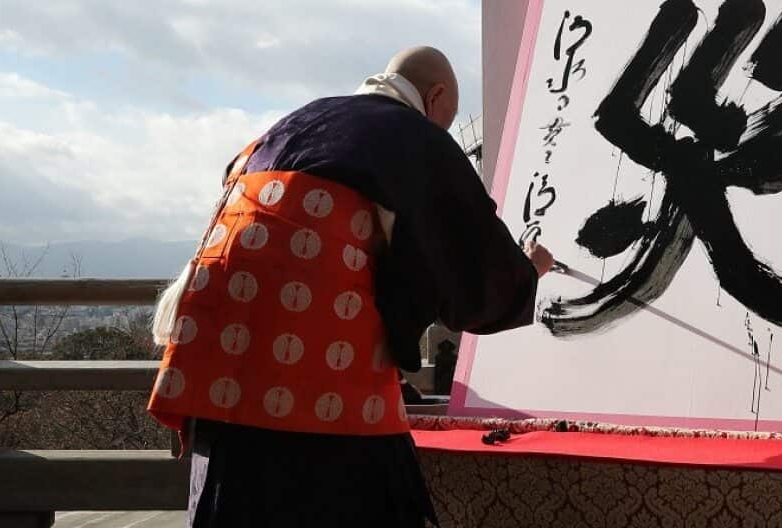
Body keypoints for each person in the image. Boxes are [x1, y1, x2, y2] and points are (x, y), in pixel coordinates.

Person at [147, 46, 553, 527]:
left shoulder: (293, 124)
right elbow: (475, 279)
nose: (444, 129)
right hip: (321, 396)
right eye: (448, 116)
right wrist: (528, 270)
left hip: (218, 380)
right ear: (436, 95)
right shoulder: (416, 141)